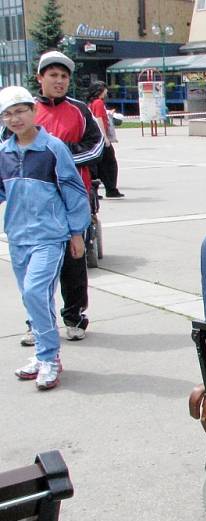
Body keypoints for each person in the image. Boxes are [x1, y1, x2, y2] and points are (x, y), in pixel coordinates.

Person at [0, 87, 90, 390]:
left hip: (50, 236)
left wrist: (77, 232)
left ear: (33, 111)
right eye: (7, 114)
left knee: (35, 291)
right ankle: (42, 356)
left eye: (20, 111)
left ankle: (49, 357)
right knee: (31, 298)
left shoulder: (53, 148)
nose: (14, 118)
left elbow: (74, 191)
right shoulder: (4, 153)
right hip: (18, 237)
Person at [29, 50, 104, 343]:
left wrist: (60, 155)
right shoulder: (27, 110)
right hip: (37, 204)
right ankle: (37, 321)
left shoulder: (79, 110)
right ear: (40, 78)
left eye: (64, 76)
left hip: (74, 200)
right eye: (53, 76)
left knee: (74, 261)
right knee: (38, 266)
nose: (59, 81)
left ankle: (74, 316)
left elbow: (96, 146)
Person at [87, 81, 124, 198]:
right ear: (99, 90)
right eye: (105, 89)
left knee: (97, 164)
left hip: (94, 138)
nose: (106, 91)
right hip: (100, 138)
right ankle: (111, 189)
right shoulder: (98, 102)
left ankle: (95, 190)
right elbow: (98, 119)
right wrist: (105, 137)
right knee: (110, 163)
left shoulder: (92, 103)